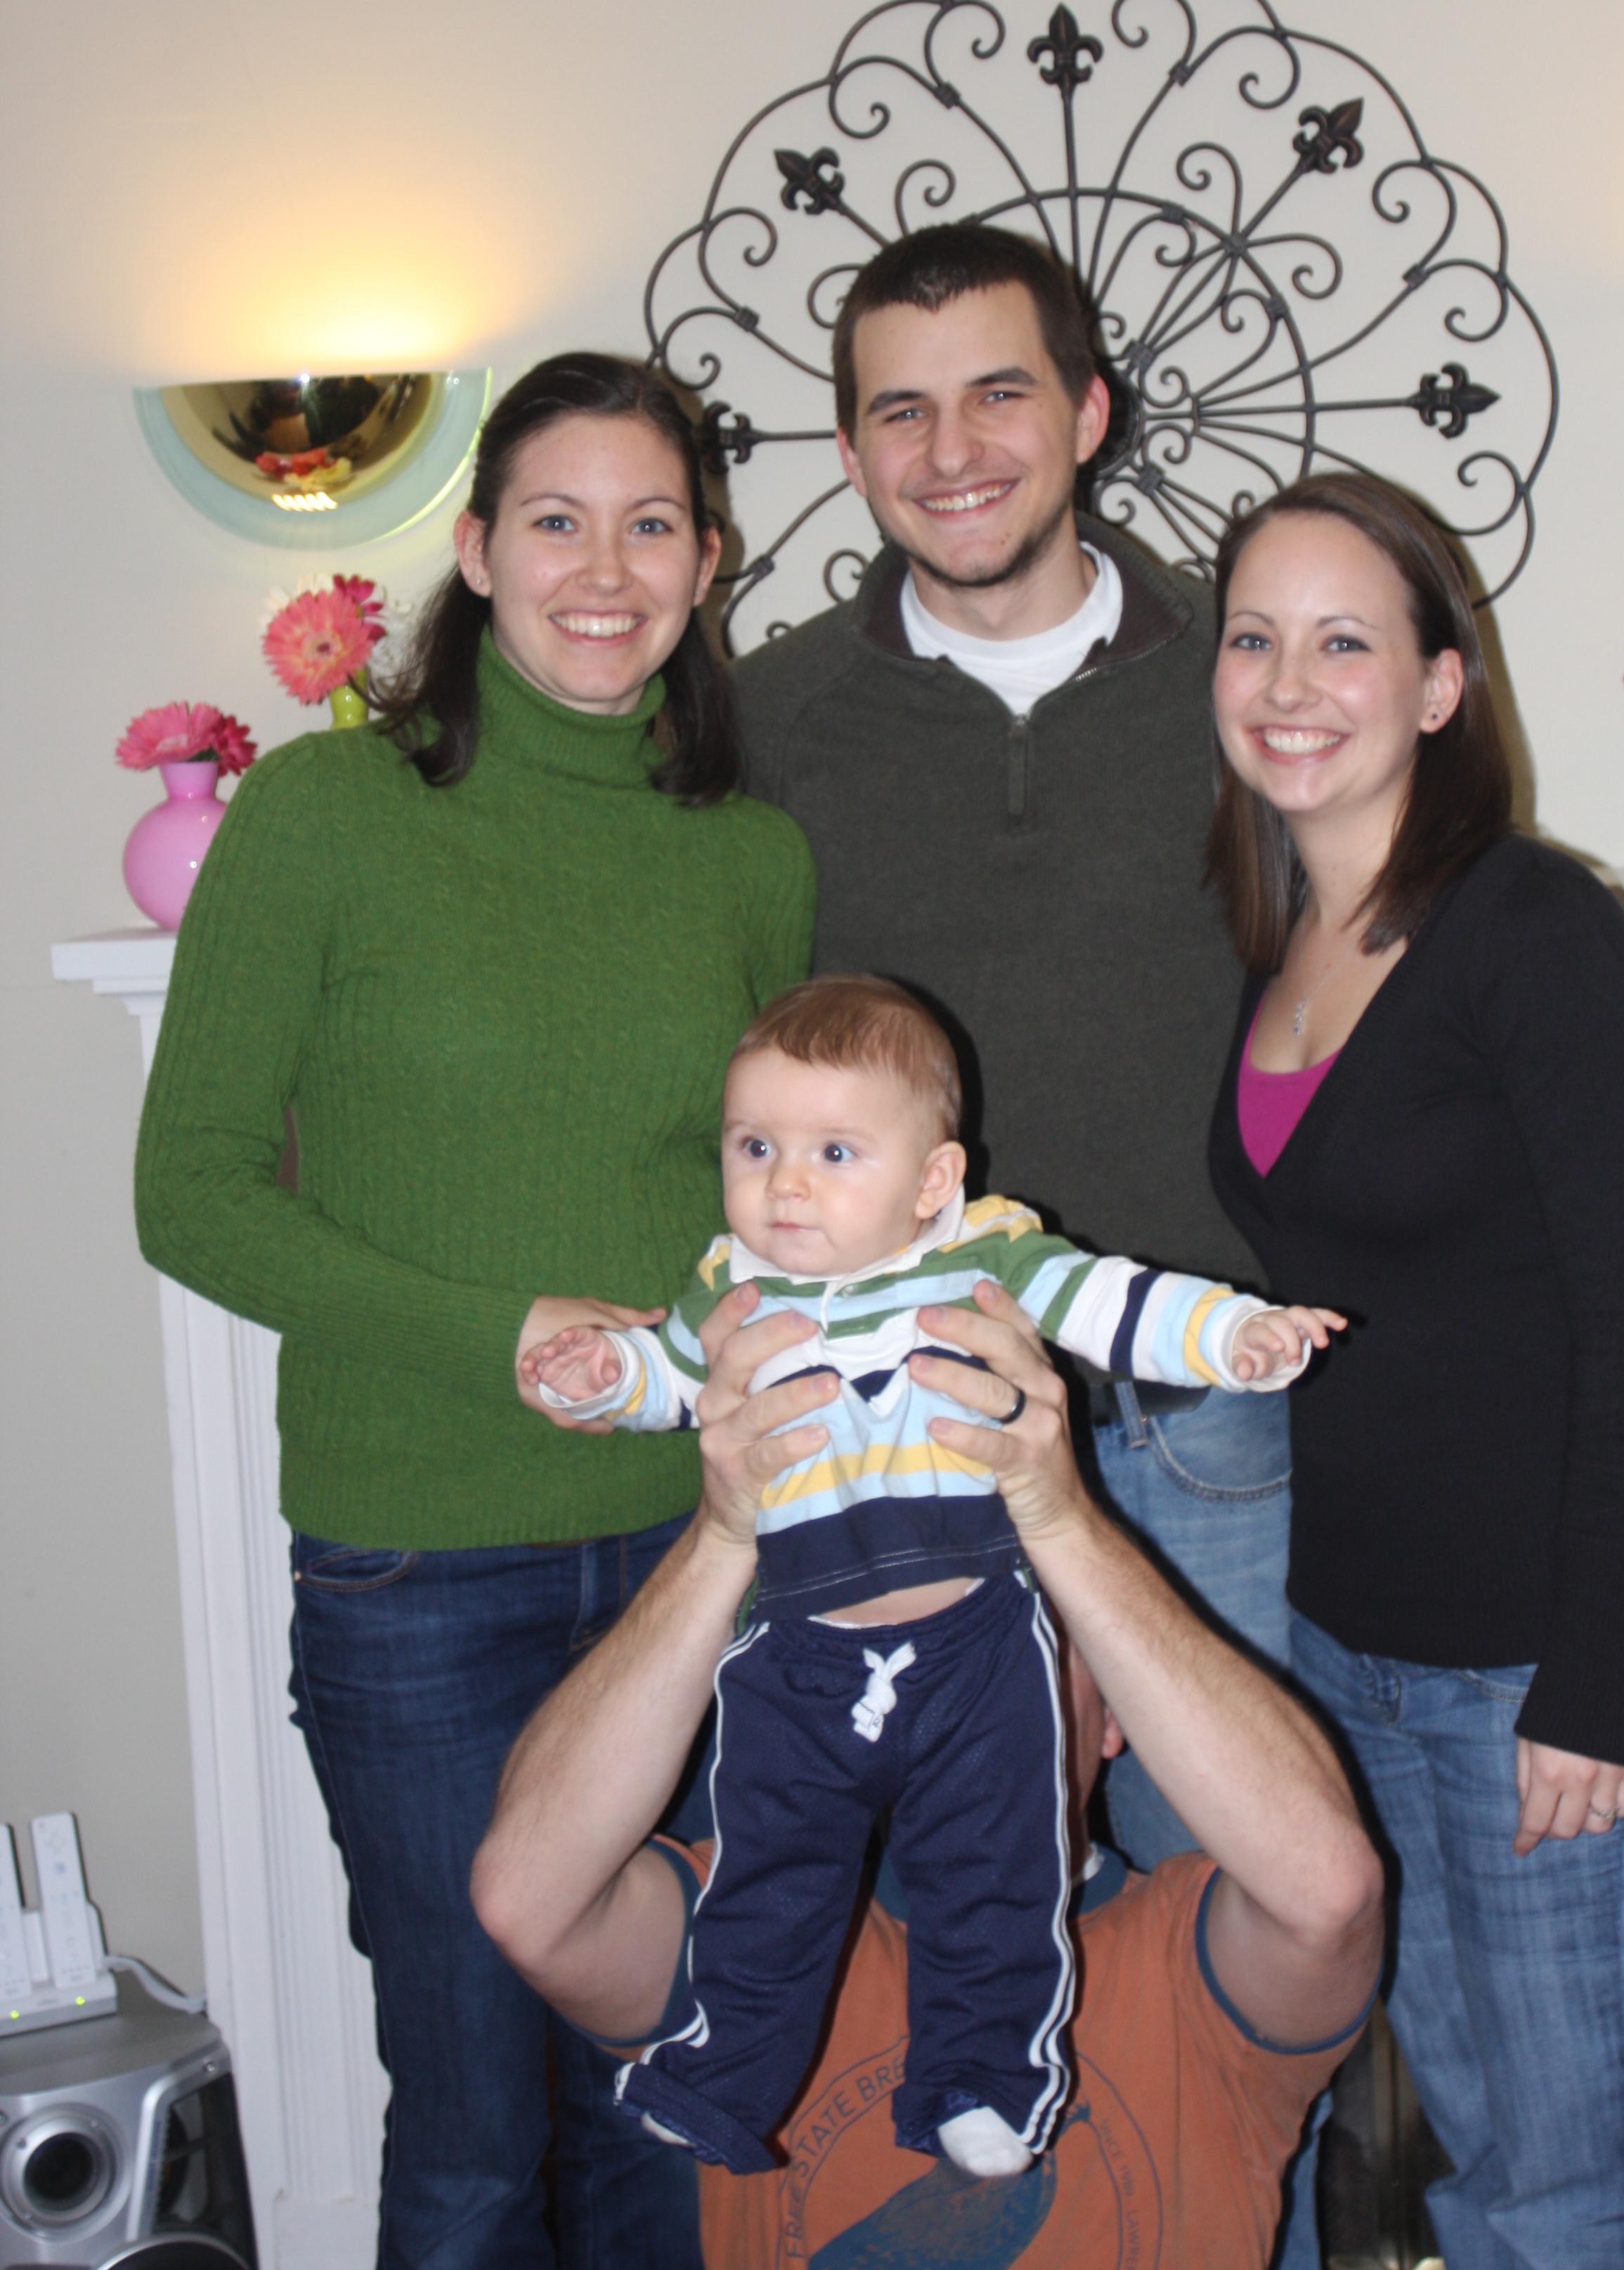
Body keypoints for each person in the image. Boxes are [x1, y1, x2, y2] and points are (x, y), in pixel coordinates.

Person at [134, 355, 815, 2270]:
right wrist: (498, 1335)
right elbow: (188, 1195)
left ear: (707, 562)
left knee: (661, 2110)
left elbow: (766, 1202)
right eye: (558, 520)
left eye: (652, 525)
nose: (606, 569)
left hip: (692, 1561)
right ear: (480, 547)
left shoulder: (749, 854)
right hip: (419, 1571)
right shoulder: (326, 812)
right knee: (468, 2131)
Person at [517, 974, 1334, 2183]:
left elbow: (1113, 1303)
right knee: (768, 1871)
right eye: (755, 1147)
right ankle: (720, 2070)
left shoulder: (980, 1260)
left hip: (975, 1636)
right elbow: (667, 1378)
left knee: (993, 1866)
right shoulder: (730, 1286)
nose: (786, 1185)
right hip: (795, 1644)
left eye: (834, 1152)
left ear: (932, 1181)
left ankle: (987, 2078)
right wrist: (604, 1374)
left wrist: (1231, 1335)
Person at [1200, 469, 1624, 2269]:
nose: (1290, 683)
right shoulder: (1280, 937)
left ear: (1441, 686)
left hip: (1538, 1670)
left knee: (1578, 2193)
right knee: (1479, 2151)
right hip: (1354, 1650)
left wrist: (1588, 1684)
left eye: (1344, 642)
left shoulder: (1536, 929)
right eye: (1254, 638)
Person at [472, 1272, 1384, 2269]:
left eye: (1017, 1631)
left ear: (1120, 1711)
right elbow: (530, 1901)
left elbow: (1328, 1892)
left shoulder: (1189, 1969)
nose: (938, 1677)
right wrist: (730, 1531)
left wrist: (1061, 1522)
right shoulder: (768, 1931)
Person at [732, 221, 1287, 1813]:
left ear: (1088, 412)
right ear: (852, 454)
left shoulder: (1247, 678)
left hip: (1202, 1418)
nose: (953, 451)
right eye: (902, 411)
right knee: (955, 1897)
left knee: (1230, 1875)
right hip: (900, 1431)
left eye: (999, 394)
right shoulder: (770, 720)